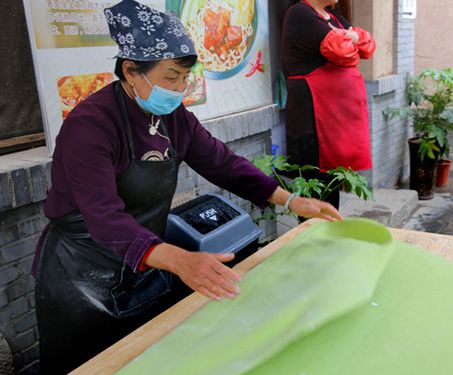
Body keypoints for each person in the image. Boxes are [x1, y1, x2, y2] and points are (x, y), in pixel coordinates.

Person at [33, 1, 343, 373]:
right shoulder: (91, 127)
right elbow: (103, 218)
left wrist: (289, 199)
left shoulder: (171, 117)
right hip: (82, 278)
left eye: (185, 77)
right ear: (131, 71)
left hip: (143, 262)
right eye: (170, 77)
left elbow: (222, 162)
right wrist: (180, 260)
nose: (180, 88)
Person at [281, 0, 376, 209]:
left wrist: (352, 37)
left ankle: (329, 233)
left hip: (335, 119)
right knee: (315, 186)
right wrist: (353, 39)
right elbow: (344, 53)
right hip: (312, 117)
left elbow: (368, 46)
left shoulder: (331, 16)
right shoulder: (300, 14)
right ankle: (315, 236)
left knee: (331, 182)